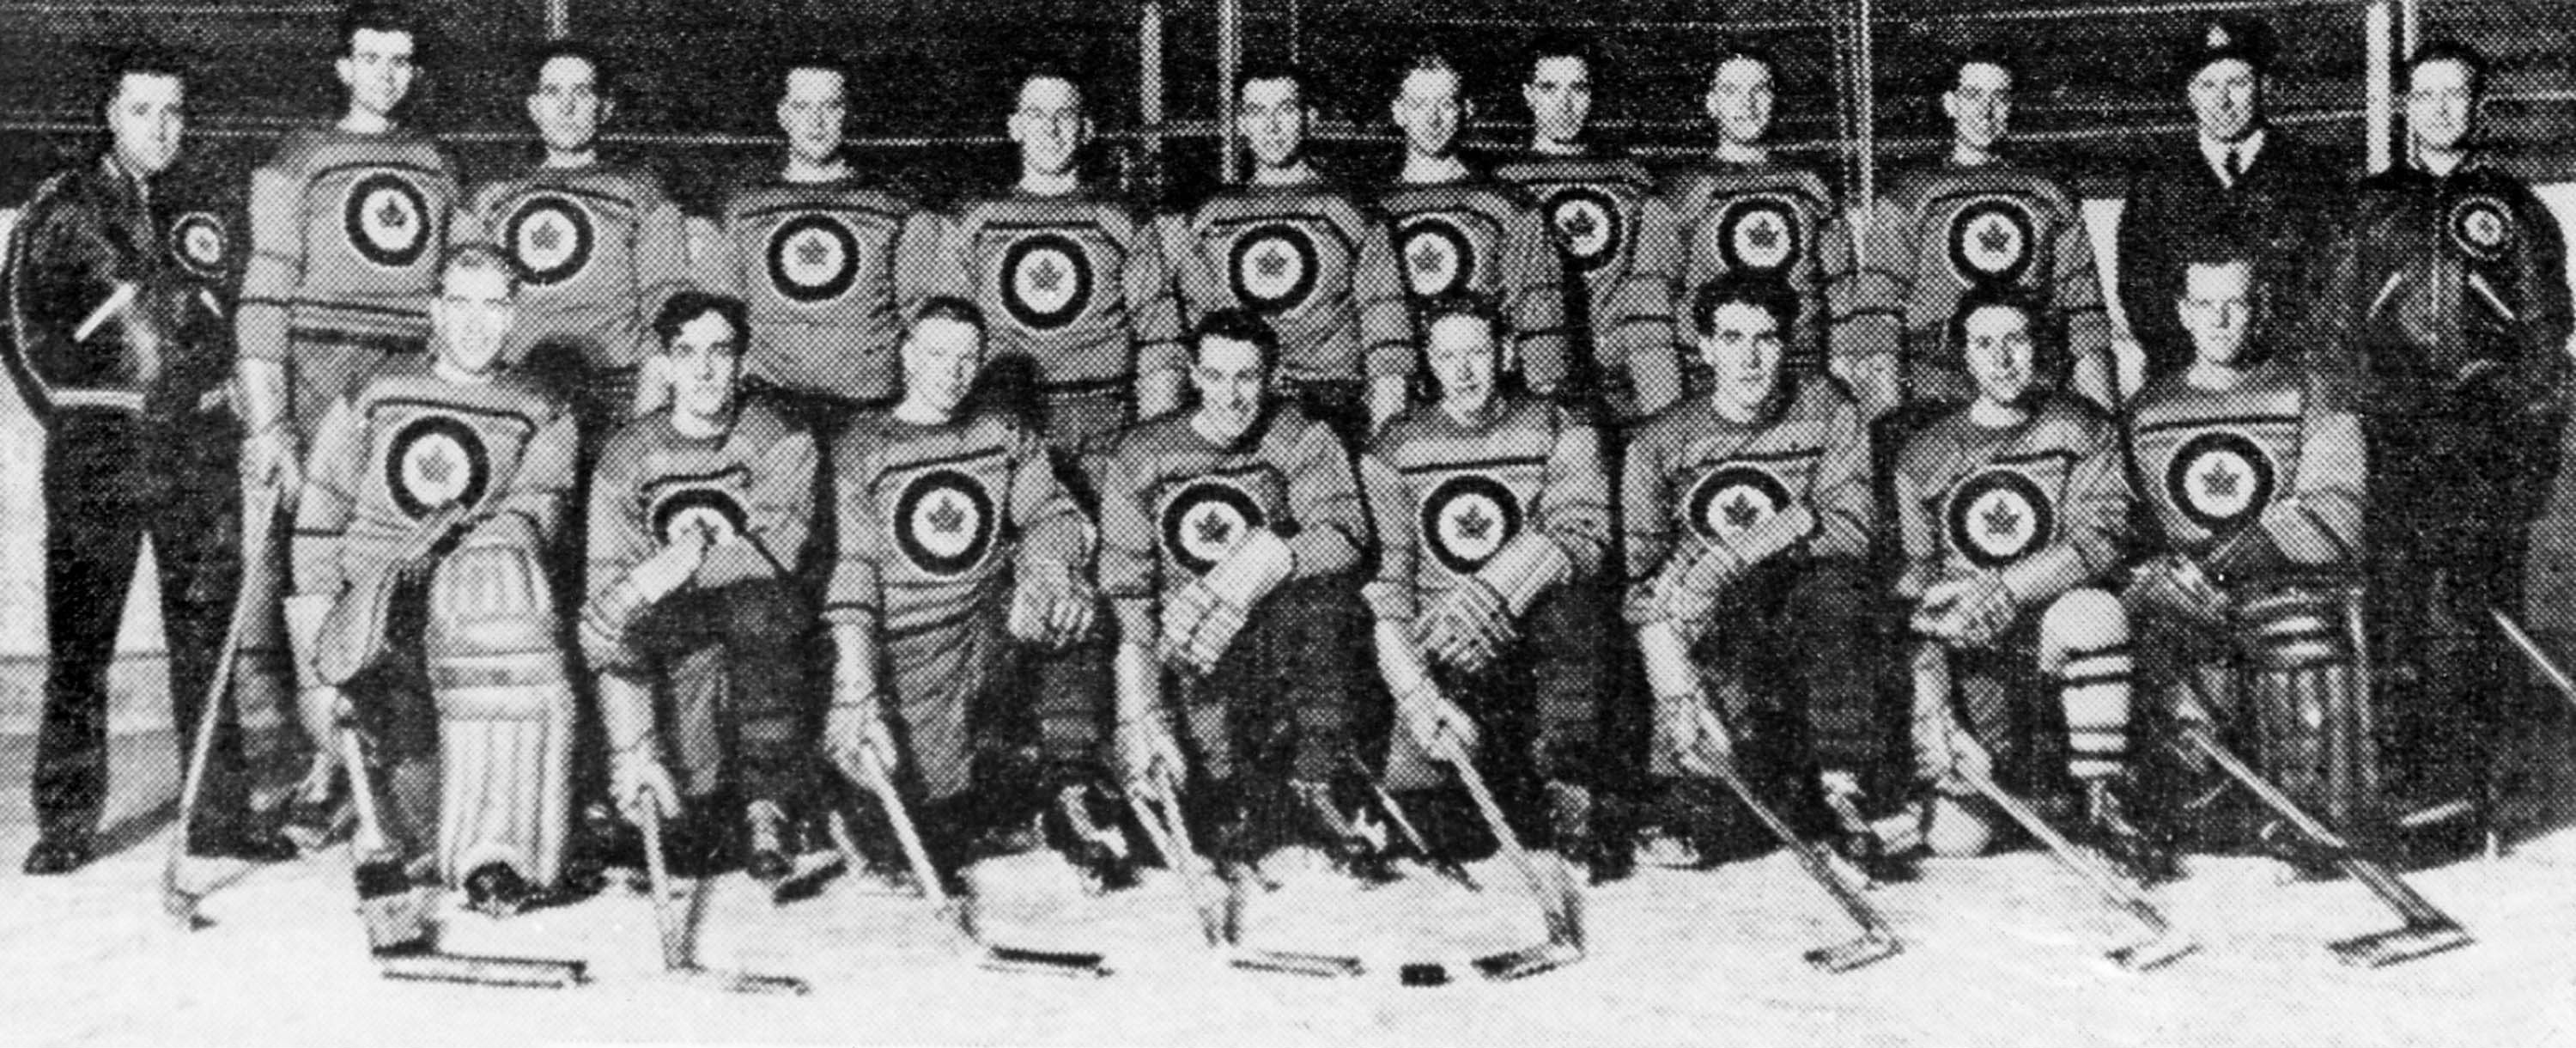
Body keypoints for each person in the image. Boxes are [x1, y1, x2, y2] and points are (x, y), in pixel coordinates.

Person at [3, 49, 296, 874]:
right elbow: (22, 332)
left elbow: (241, 316)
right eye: (142, 111)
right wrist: (81, 412)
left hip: (196, 452)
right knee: (81, 639)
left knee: (208, 633)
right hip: (100, 452)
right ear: (109, 114)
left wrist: (242, 402)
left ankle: (218, 814)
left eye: (173, 112)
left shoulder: (206, 205)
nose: (161, 129)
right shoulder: (62, 208)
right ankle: (65, 820)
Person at [2307, 41, 2571, 843]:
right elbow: (2333, 327)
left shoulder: (2516, 208)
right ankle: (2412, 793)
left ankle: (2484, 790)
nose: (2443, 109)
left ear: (2478, 106)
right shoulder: (2370, 203)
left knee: (2480, 616)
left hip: (2484, 443)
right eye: (2428, 95)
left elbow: (2544, 340)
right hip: (2395, 441)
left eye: (2458, 95)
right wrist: (2354, 432)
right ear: (2407, 107)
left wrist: (2529, 456)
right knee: (2396, 620)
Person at [287, 244, 580, 914]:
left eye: (495, 304)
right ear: (434, 310)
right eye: (461, 302)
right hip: (368, 608)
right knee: (415, 815)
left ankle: (492, 850)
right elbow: (320, 512)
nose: (477, 322)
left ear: (514, 317)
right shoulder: (375, 390)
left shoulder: (542, 406)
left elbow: (536, 512)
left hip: (467, 607)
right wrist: (317, 661)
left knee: (500, 626)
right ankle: (374, 796)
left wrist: (456, 568)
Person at [239, 3, 464, 821]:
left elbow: (457, 288)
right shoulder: (298, 159)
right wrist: (270, 425)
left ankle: (382, 761)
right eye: (372, 59)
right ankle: (323, 763)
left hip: (400, 392)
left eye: (402, 61)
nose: (388, 75)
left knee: (390, 570)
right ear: (343, 67)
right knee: (310, 573)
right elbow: (262, 301)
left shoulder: (435, 164)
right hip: (313, 380)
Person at [820, 298, 1106, 883]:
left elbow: (1050, 512)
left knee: (1073, 611)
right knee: (920, 831)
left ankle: (1068, 786)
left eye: (966, 357)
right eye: (936, 354)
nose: (952, 371)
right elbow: (851, 566)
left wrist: (1049, 569)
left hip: (981, 628)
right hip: (902, 645)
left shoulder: (1002, 433)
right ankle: (846, 815)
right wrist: (854, 679)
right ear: (907, 356)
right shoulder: (862, 444)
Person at [1886, 289, 2163, 881]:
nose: (2002, 359)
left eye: (2016, 340)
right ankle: (2007, 786)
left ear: (2038, 347)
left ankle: (2102, 800)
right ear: (1962, 354)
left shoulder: (2080, 426)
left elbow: (2103, 539)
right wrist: (1933, 668)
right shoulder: (1923, 452)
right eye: (1984, 344)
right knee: (1959, 842)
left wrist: (2007, 588)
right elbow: (1918, 577)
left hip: (2050, 628)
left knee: (2095, 612)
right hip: (1974, 645)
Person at [1097, 309, 1377, 883]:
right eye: (1217, 377)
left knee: (1327, 608)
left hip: (1267, 637)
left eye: (1247, 377)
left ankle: (1308, 789)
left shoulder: (1301, 436)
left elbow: (1345, 534)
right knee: (1189, 776)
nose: (1231, 395)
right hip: (1184, 641)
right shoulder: (1143, 451)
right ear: (1195, 376)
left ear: (1271, 378)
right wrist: (1140, 699)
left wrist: (1265, 558)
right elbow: (1127, 584)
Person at [1623, 276, 1893, 872]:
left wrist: (1734, 555)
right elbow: (1642, 573)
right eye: (1732, 339)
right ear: (1704, 347)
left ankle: (1844, 790)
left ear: (1787, 343)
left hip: (1801, 605)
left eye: (1766, 339)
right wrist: (1675, 627)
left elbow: (1851, 528)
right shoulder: (1658, 442)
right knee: (1729, 824)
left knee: (1839, 592)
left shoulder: (1829, 408)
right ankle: (1697, 789)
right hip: (1717, 625)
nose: (1749, 358)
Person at [1358, 295, 1623, 881]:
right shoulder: (1393, 446)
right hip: (1447, 645)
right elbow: (1391, 577)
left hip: (1531, 633)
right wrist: (1414, 687)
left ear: (1505, 352)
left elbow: (1582, 536)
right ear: (1428, 361)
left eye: (1477, 352)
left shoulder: (1559, 425)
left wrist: (1493, 595)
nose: (1465, 371)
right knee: (1440, 833)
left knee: (1576, 609)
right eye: (1448, 357)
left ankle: (1569, 786)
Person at [2119, 253, 2369, 848]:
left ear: (2259, 308)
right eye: (2205, 305)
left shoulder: (2311, 394)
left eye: (2236, 303)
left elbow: (2340, 506)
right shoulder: (2146, 409)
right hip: (2188, 596)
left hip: (2280, 586)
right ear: (2183, 313)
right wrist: (2155, 569)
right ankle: (2186, 803)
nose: (2222, 319)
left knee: (2301, 627)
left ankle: (2311, 813)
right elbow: (2124, 522)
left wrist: (2249, 545)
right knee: (2132, 623)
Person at [580, 292, 819, 882]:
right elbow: (611, 589)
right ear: (665, 364)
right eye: (687, 353)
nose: (705, 369)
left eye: (721, 351)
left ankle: (769, 806)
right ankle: (640, 782)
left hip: (759, 610)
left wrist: (684, 561)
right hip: (675, 623)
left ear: (743, 359)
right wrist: (636, 592)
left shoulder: (780, 438)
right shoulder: (627, 453)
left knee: (762, 608)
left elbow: (774, 553)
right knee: (611, 634)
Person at [896, 64, 1188, 442]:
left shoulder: (1123, 219)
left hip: (1103, 418)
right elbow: (946, 334)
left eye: (1064, 115)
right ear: (1014, 127)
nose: (1050, 129)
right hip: (1002, 414)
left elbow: (1159, 336)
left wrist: (1153, 444)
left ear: (1086, 129)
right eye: (1036, 115)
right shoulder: (973, 219)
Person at [1158, 63, 1413, 446]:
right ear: (1241, 122)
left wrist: (1386, 442)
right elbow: (1198, 326)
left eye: (1286, 110)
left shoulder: (1353, 212)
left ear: (1310, 118)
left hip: (1331, 408)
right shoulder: (1208, 216)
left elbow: (1386, 333)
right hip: (1238, 409)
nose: (1272, 126)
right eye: (1258, 112)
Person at [1856, 47, 2116, 417]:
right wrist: (1885, 423)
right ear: (1950, 103)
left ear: (2012, 105)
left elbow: (2083, 311)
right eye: (1973, 95)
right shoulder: (1909, 194)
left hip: (2031, 384)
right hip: (1938, 384)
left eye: (1999, 97)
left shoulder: (2048, 192)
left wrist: (2102, 419)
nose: (1986, 110)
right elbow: (1879, 313)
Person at [455, 40, 690, 429]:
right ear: (533, 107)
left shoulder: (640, 191)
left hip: (617, 385)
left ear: (605, 107)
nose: (567, 107)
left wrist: (651, 397)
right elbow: (460, 303)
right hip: (514, 382)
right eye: (552, 93)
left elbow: (666, 301)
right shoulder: (491, 195)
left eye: (581, 93)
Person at [1659, 44, 1892, 418]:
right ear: (1711, 103)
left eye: (1760, 90)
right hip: (1713, 381)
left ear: (1776, 100)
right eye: (1731, 91)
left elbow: (1842, 290)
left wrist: (1852, 380)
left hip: (1802, 373)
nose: (1747, 104)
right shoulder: (1684, 191)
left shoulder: (1809, 187)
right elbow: (1660, 297)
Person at [2114, 17, 2345, 385]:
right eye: (2208, 85)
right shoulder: (2157, 181)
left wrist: (2282, 368)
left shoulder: (2313, 174)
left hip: (2293, 380)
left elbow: (2336, 284)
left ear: (2263, 87)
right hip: (2187, 380)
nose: (2222, 101)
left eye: (2237, 83)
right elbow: (2141, 288)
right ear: (2190, 94)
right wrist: (2196, 368)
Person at [713, 53, 916, 437]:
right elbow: (725, 315)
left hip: (870, 411)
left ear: (847, 113)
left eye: (831, 107)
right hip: (769, 413)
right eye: (804, 107)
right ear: (783, 114)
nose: (817, 121)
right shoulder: (743, 208)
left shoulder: (893, 206)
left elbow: (918, 316)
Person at [1493, 34, 1684, 422]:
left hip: (1631, 382)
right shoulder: (1502, 186)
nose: (1564, 104)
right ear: (1528, 94)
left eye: (1577, 88)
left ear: (1593, 95)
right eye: (1550, 88)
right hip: (1539, 389)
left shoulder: (1632, 181)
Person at [1374, 52, 1571, 401]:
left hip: (1490, 403)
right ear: (1398, 111)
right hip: (1403, 401)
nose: (1433, 119)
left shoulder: (1509, 207)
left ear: (1467, 110)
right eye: (1419, 105)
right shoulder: (1371, 210)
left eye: (1446, 104)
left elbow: (1540, 320)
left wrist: (1547, 409)